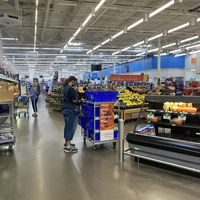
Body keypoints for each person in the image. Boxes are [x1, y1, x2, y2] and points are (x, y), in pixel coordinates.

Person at [61, 76, 84, 153]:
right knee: (71, 127)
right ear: (73, 81)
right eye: (75, 82)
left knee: (67, 126)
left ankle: (67, 142)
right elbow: (74, 100)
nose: (75, 83)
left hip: (65, 109)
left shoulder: (64, 88)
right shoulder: (70, 89)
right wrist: (81, 101)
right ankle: (68, 146)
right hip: (70, 110)